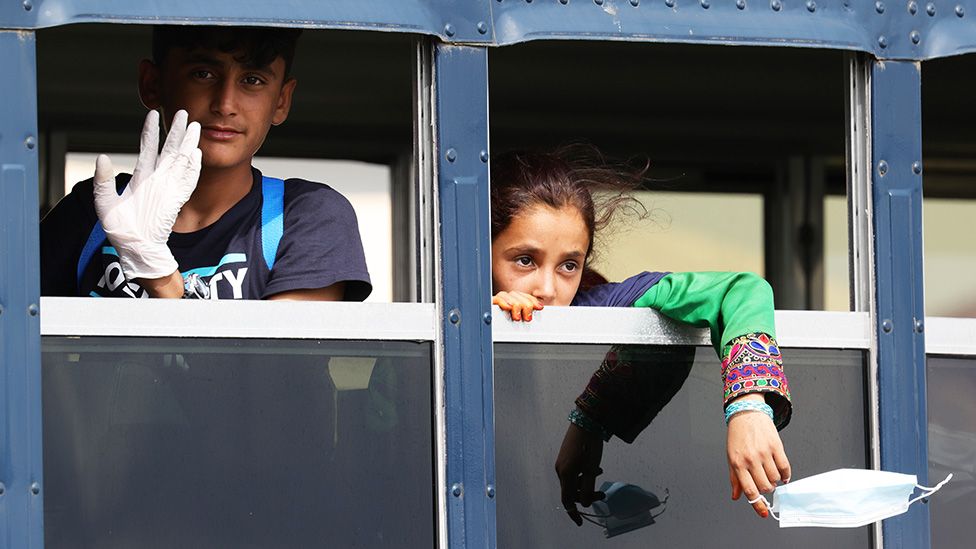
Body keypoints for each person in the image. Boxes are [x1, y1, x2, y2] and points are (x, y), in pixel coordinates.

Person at [490, 149, 792, 525]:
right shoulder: (454, 325)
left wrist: (749, 407)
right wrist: (485, 317)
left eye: (569, 265)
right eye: (525, 260)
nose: (548, 288)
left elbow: (742, 291)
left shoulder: (604, 306)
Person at [41, 25, 371, 301]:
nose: (225, 103)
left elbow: (274, 373)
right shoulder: (93, 213)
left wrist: (159, 277)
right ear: (152, 84)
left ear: (282, 100)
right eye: (203, 73)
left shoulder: (307, 216)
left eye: (253, 80)